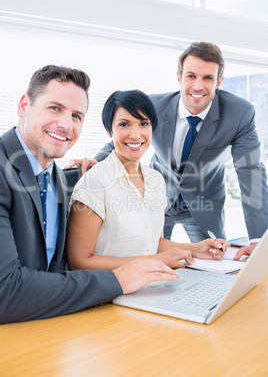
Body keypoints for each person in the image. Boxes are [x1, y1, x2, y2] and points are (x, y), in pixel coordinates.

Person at [0, 65, 182, 324]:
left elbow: (54, 267)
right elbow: (6, 291)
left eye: (76, 115)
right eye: (55, 108)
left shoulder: (59, 178)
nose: (65, 124)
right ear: (23, 105)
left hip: (49, 321)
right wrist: (118, 279)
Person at [66, 42, 268, 260]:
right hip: (155, 198)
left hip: (203, 202)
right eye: (191, 76)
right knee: (152, 254)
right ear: (179, 77)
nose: (198, 86)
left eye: (208, 78)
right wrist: (98, 162)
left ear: (219, 81)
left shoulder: (238, 113)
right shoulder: (153, 106)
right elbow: (124, 135)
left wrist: (258, 239)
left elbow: (251, 171)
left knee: (216, 260)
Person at [66, 90, 228, 272]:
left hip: (151, 285)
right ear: (109, 130)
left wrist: (195, 249)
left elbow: (153, 243)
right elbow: (79, 262)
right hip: (110, 291)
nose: (136, 135)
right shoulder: (95, 182)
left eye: (144, 123)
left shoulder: (155, 180)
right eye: (124, 124)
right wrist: (155, 260)